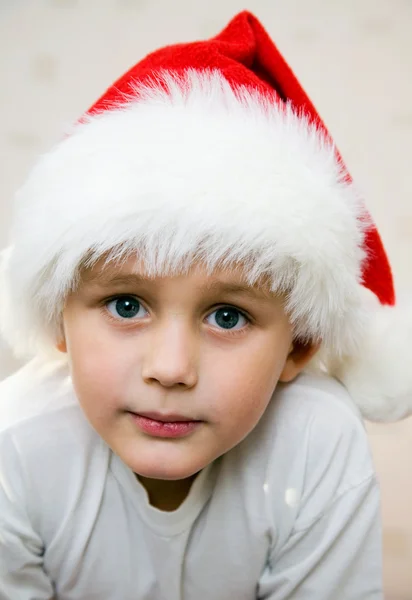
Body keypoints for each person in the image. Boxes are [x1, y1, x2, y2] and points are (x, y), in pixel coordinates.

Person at [0, 10, 411, 600]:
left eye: (228, 316)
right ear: (58, 319)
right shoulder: (13, 447)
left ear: (297, 347)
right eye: (124, 305)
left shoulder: (316, 442)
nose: (170, 368)